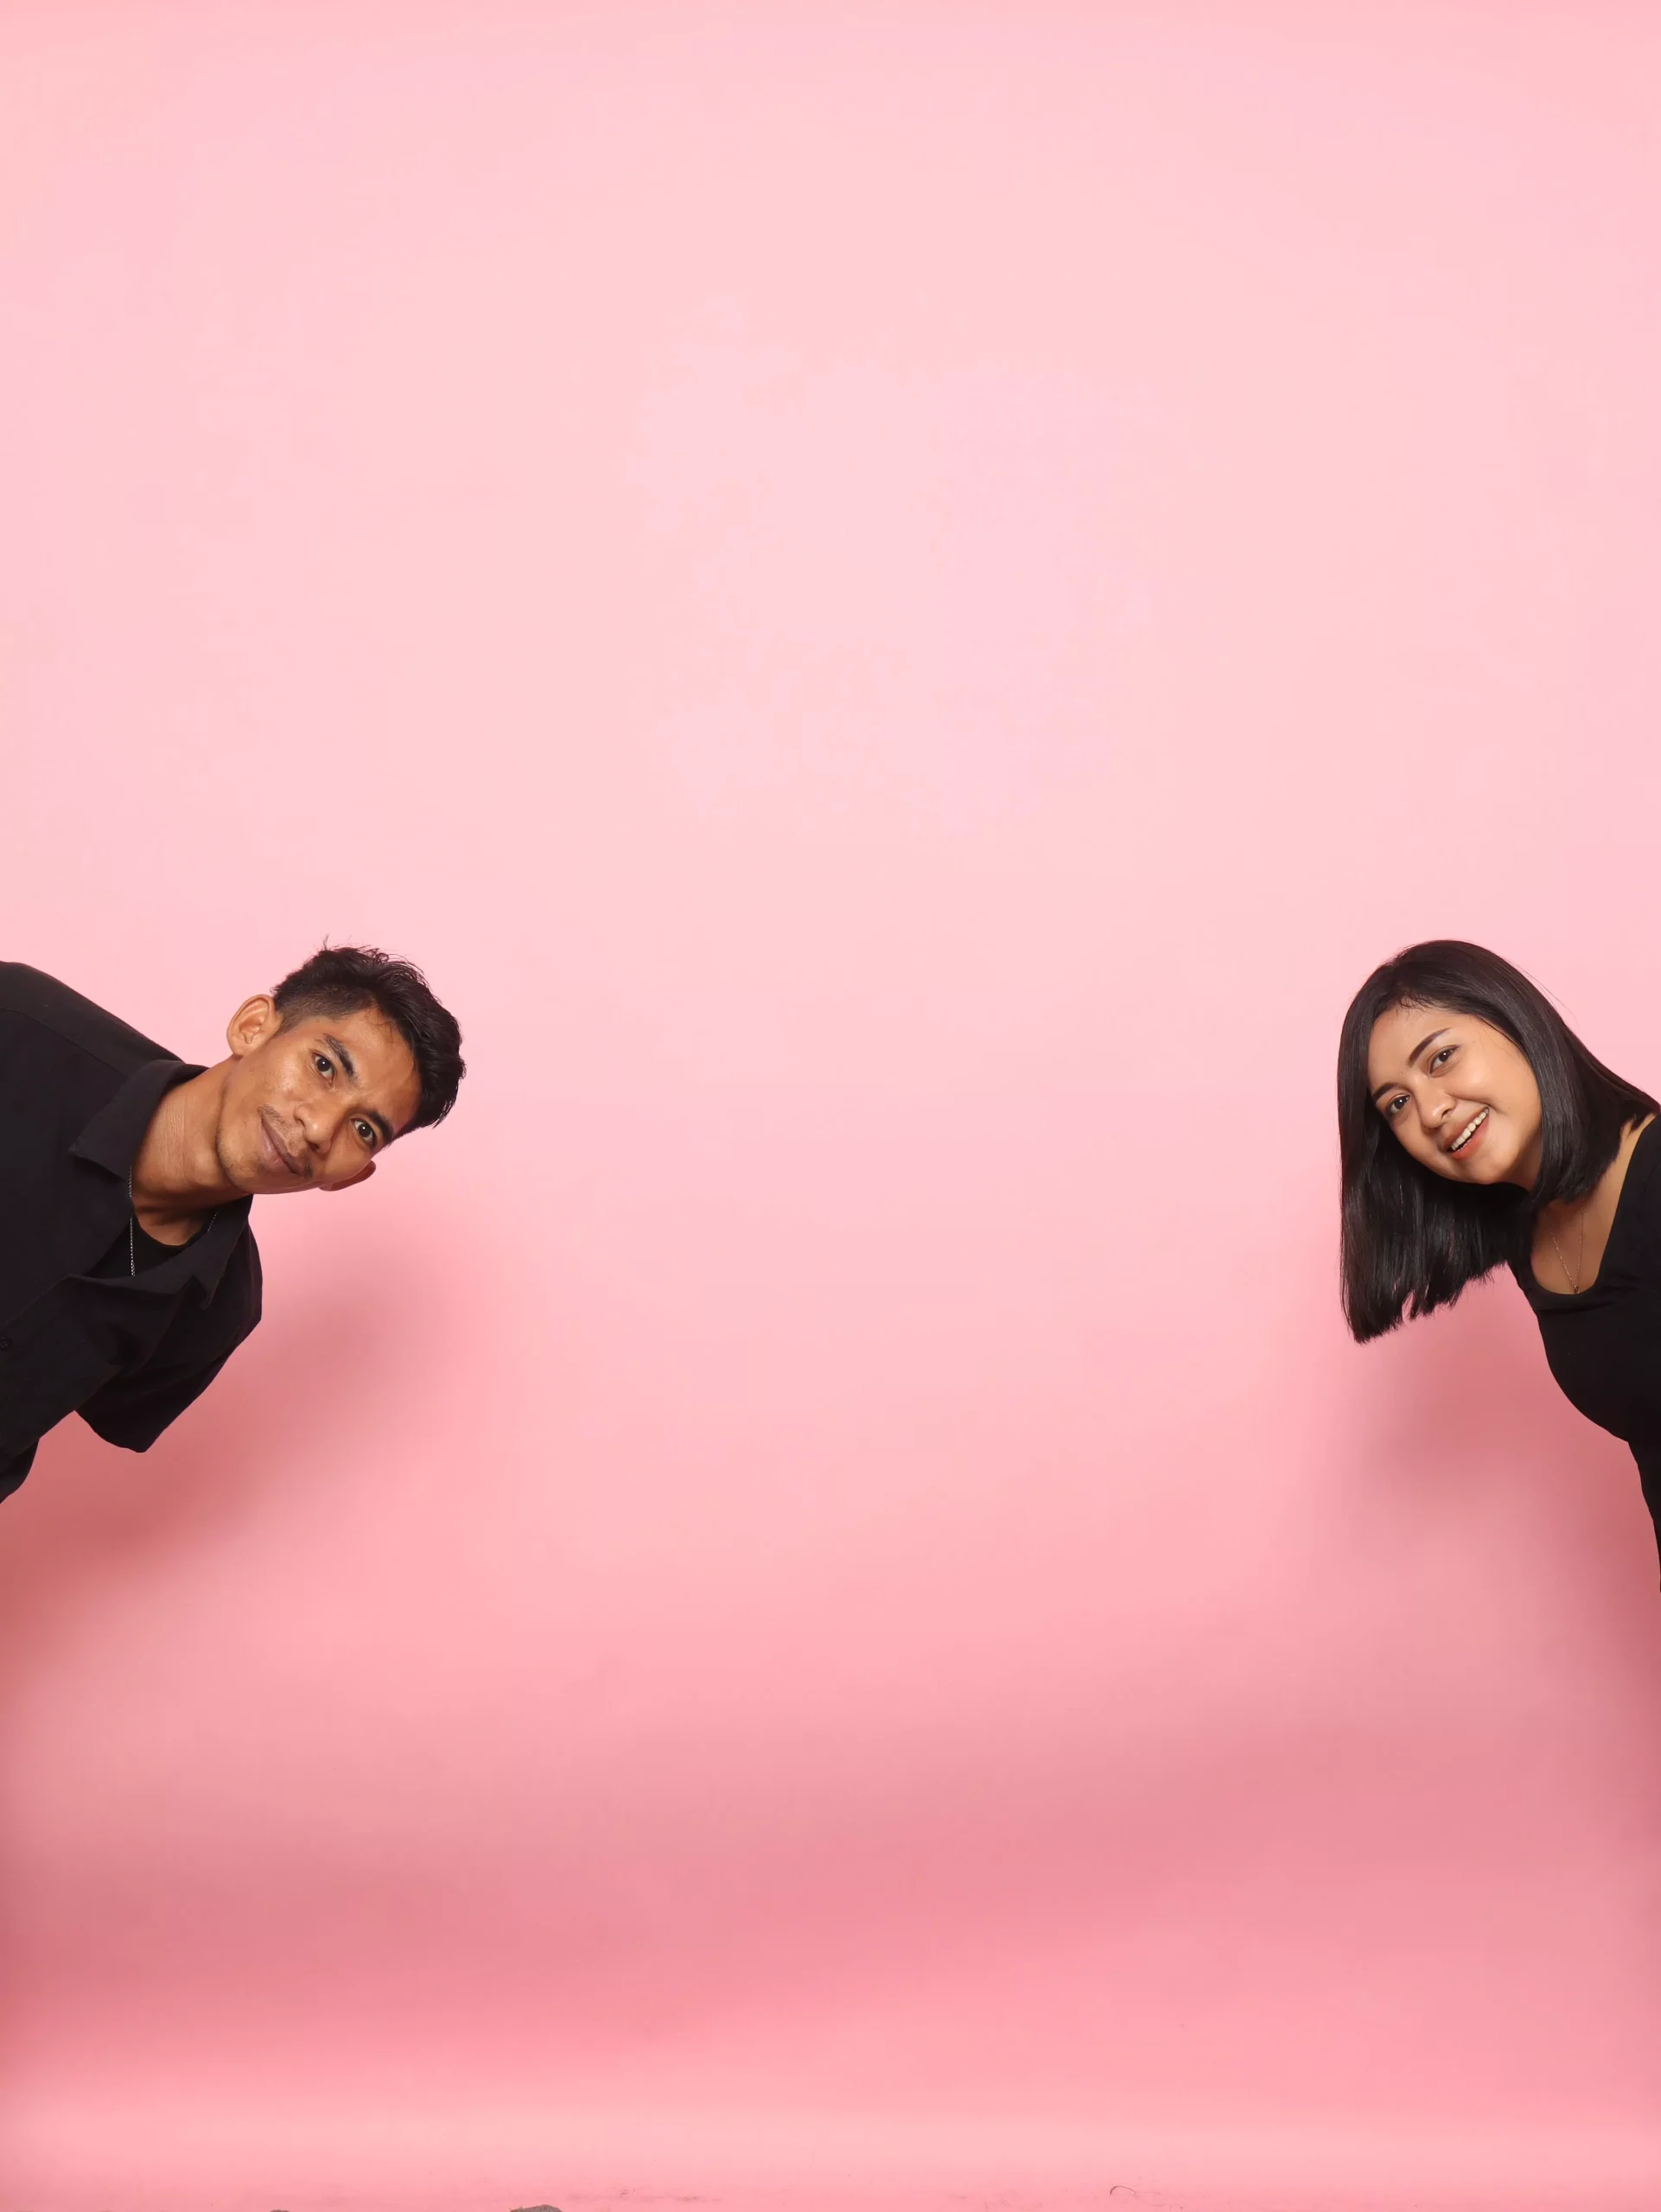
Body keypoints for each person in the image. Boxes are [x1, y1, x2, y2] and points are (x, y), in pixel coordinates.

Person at [0, 947, 464, 1507]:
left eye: (364, 1129)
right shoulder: (19, 1025)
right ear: (253, 1027)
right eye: (324, 1066)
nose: (320, 1128)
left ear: (350, 1177)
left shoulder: (218, 1310)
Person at [1339, 938, 1661, 1554]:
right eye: (1397, 1104)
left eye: (1441, 1058)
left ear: (1516, 1022)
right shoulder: (1531, 1235)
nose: (1431, 1111)